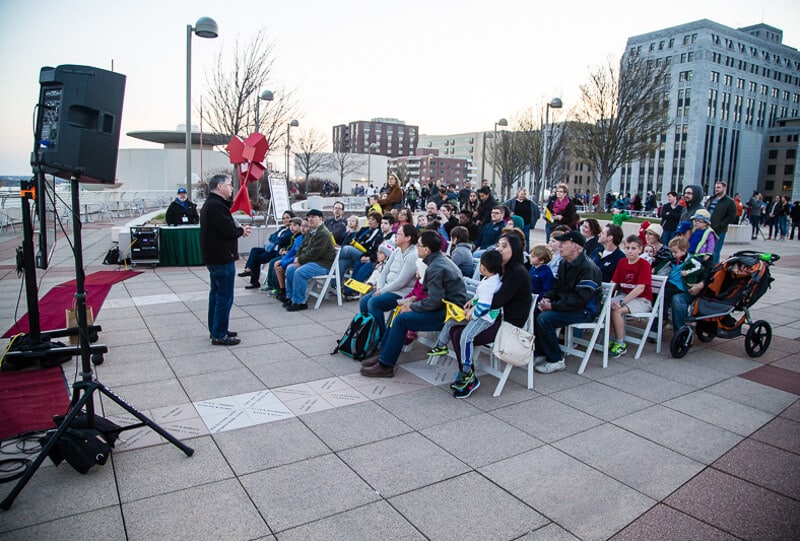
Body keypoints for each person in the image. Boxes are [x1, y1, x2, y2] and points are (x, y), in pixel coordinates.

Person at [360, 231, 467, 378]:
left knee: (401, 320)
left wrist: (412, 306)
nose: (417, 248)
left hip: (448, 314)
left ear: (426, 250)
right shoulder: (436, 261)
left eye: (419, 245)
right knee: (399, 312)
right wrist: (412, 300)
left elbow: (435, 301)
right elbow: (432, 295)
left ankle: (386, 365)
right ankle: (384, 354)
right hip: (443, 306)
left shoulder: (436, 267)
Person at [449, 233, 533, 378]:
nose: (499, 249)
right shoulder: (501, 269)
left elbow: (498, 300)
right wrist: (474, 302)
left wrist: (476, 309)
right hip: (493, 317)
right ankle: (466, 372)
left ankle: (467, 374)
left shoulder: (517, 272)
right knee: (453, 329)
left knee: (460, 335)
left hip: (508, 325)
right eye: (498, 245)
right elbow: (485, 293)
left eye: (504, 246)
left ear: (516, 249)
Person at [428, 250, 504, 398]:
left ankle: (466, 369)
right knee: (451, 321)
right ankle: (441, 345)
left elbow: (485, 306)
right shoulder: (488, 279)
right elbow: (479, 298)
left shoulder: (491, 284)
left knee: (466, 336)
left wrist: (472, 314)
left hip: (484, 319)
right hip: (477, 314)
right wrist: (472, 302)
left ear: (484, 267)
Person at [533, 230, 602, 373]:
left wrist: (553, 305)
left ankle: (556, 360)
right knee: (535, 310)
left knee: (545, 319)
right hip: (569, 304)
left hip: (584, 310)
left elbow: (581, 299)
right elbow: (558, 287)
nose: (560, 246)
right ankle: (541, 352)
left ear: (576, 247)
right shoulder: (565, 263)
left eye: (564, 243)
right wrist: (547, 297)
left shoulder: (588, 268)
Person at [200, 174, 251, 346]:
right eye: (229, 185)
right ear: (220, 186)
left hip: (215, 257)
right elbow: (227, 230)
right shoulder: (215, 206)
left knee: (216, 295)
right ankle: (219, 334)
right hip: (222, 258)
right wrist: (241, 231)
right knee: (224, 297)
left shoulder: (213, 204)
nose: (231, 188)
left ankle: (217, 328)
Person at [358, 224, 420, 339]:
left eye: (399, 234)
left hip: (402, 293)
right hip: (387, 288)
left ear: (408, 238)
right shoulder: (397, 251)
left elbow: (401, 282)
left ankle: (381, 336)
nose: (395, 236)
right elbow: (384, 272)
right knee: (364, 302)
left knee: (374, 303)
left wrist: (382, 291)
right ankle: (369, 333)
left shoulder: (412, 255)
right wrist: (380, 288)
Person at [280, 209, 336, 311]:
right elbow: (302, 247)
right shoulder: (311, 231)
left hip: (323, 264)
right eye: (309, 217)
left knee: (300, 272)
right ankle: (291, 297)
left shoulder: (323, 233)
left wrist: (300, 261)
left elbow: (315, 253)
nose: (310, 219)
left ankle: (300, 302)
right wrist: (297, 258)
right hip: (312, 261)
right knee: (290, 269)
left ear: (320, 219)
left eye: (313, 217)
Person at [608, 235, 653, 358]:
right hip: (625, 295)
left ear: (640, 249)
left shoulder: (644, 264)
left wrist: (622, 302)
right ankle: (609, 338)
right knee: (607, 306)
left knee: (617, 310)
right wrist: (606, 297)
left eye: (633, 248)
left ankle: (620, 343)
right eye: (627, 248)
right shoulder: (622, 262)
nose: (630, 251)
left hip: (642, 300)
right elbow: (614, 283)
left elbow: (640, 288)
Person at [239, 210, 295, 288]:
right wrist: (277, 238)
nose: (285, 220)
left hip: (277, 251)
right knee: (254, 250)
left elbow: (281, 240)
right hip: (271, 249)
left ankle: (253, 277)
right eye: (283, 218)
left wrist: (276, 238)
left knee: (256, 259)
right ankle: (249, 269)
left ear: (292, 218)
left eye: (287, 218)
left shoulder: (291, 230)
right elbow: (271, 236)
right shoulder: (282, 228)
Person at [665, 235, 709, 330]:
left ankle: (680, 329)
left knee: (675, 299)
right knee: (663, 295)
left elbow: (702, 268)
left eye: (675, 252)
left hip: (684, 287)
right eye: (672, 252)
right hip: (674, 284)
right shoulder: (674, 259)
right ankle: (661, 321)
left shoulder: (691, 260)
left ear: (684, 250)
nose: (673, 254)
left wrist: (688, 273)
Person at [339, 212, 384, 298]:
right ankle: (336, 285)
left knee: (347, 249)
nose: (370, 221)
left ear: (378, 222)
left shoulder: (379, 233)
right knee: (342, 261)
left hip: (368, 256)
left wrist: (369, 257)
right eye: (369, 219)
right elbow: (354, 240)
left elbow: (373, 249)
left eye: (373, 220)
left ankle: (348, 289)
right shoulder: (364, 229)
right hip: (360, 254)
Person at [263, 218, 304, 296]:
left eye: (294, 225)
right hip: (288, 256)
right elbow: (290, 250)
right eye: (290, 225)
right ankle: (277, 287)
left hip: (297, 259)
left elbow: (297, 253)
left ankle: (280, 288)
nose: (291, 227)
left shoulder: (300, 237)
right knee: (275, 262)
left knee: (278, 264)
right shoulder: (293, 236)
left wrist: (284, 263)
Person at [705, 181, 737, 265]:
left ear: (724, 188)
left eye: (718, 187)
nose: (716, 189)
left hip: (719, 231)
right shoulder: (711, 199)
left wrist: (720, 225)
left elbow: (731, 217)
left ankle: (714, 269)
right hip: (707, 229)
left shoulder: (730, 202)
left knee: (715, 251)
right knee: (705, 250)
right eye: (715, 187)